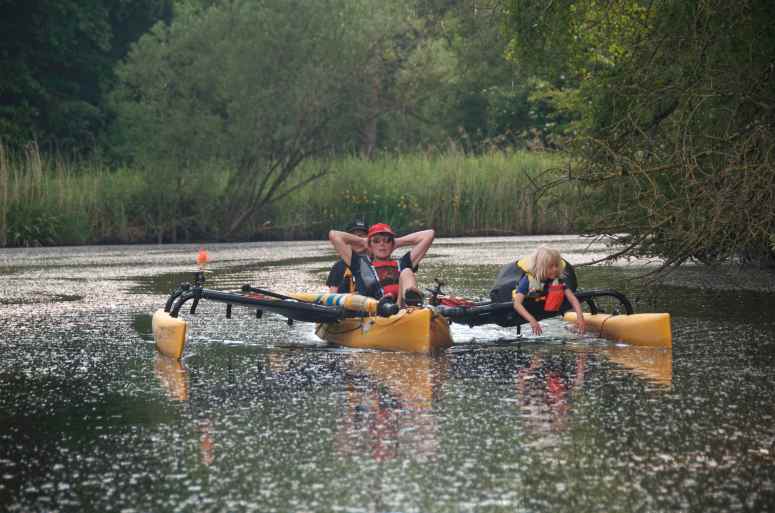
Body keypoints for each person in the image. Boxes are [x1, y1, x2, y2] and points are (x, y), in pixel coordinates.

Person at [328, 222, 434, 307]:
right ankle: (392, 304)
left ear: (392, 245)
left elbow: (429, 234)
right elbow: (334, 235)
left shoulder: (402, 263)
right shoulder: (360, 265)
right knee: (387, 300)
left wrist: (397, 242)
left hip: (402, 307)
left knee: (407, 271)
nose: (382, 244)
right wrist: (362, 241)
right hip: (377, 310)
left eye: (387, 240)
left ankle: (413, 303)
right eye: (376, 241)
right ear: (369, 246)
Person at [511, 247, 586, 335]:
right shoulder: (528, 281)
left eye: (556, 266)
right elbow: (517, 304)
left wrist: (580, 317)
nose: (555, 269)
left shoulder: (557, 280)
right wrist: (532, 320)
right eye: (550, 266)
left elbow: (573, 299)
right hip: (529, 305)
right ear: (540, 267)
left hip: (543, 302)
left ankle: (570, 327)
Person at [326, 219, 368, 293]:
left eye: (361, 236)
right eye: (353, 237)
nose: (356, 240)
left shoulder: (376, 261)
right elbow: (332, 294)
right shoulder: (338, 266)